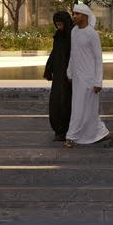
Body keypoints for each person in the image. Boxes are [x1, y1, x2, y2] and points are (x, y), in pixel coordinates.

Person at [64, 3, 111, 147]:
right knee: (82, 107)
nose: (74, 17)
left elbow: (98, 59)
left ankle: (71, 137)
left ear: (84, 16)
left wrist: (98, 81)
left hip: (89, 78)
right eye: (74, 14)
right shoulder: (74, 32)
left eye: (77, 14)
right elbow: (73, 53)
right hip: (77, 78)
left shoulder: (92, 34)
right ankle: (101, 132)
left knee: (84, 107)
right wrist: (70, 72)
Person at [45, 10, 74, 142]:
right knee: (56, 102)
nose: (59, 27)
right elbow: (55, 53)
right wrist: (48, 69)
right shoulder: (58, 35)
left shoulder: (73, 35)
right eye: (57, 25)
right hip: (58, 75)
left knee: (66, 102)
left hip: (69, 76)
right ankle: (59, 130)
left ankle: (66, 130)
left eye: (61, 24)